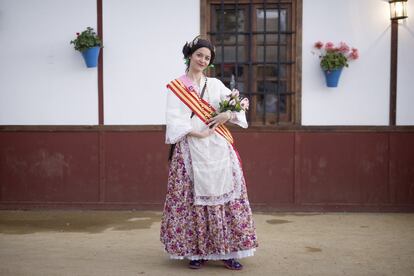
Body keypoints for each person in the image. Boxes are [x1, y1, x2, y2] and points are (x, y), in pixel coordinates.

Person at [160, 36, 258, 270]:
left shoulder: (215, 85)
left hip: (219, 150)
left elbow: (237, 104)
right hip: (190, 151)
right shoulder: (177, 87)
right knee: (190, 202)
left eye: (207, 57)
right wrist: (197, 133)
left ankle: (228, 251)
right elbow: (174, 120)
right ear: (190, 56)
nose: (203, 60)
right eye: (199, 55)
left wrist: (227, 115)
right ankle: (196, 252)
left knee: (226, 199)